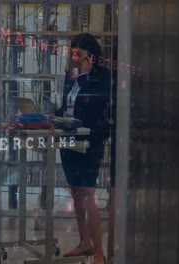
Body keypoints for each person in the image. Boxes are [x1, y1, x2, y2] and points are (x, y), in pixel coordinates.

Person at [55, 33, 110, 264]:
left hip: (89, 141)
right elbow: (69, 106)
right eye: (73, 53)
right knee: (76, 193)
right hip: (69, 139)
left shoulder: (102, 77)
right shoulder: (72, 76)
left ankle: (99, 251)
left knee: (87, 195)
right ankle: (84, 243)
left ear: (91, 56)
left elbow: (93, 106)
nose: (74, 58)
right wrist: (54, 116)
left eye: (79, 54)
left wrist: (86, 77)